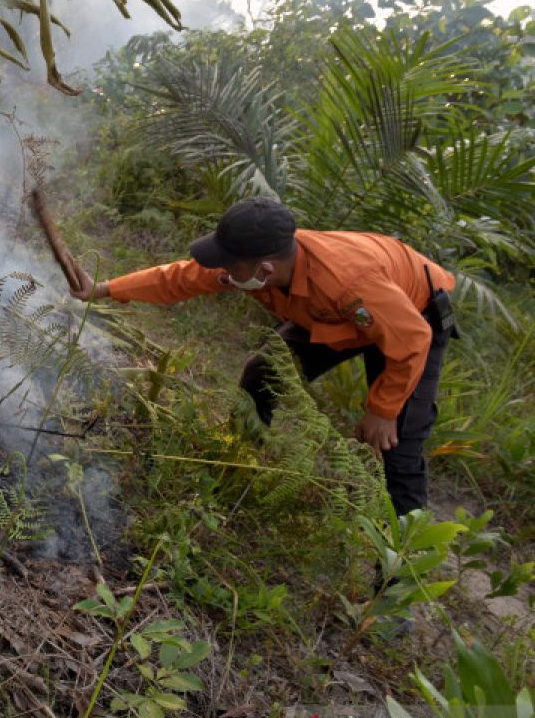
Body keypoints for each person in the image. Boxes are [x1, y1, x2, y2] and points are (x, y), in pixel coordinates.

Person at [68, 197, 457, 519]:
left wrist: (383, 409)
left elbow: (411, 338)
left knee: (398, 446)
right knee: (262, 373)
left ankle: (397, 587)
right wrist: (103, 288)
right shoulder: (249, 266)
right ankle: (239, 462)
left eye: (228, 262)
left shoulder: (347, 281)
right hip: (339, 316)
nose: (221, 268)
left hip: (413, 315)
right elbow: (181, 278)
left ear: (265, 268)